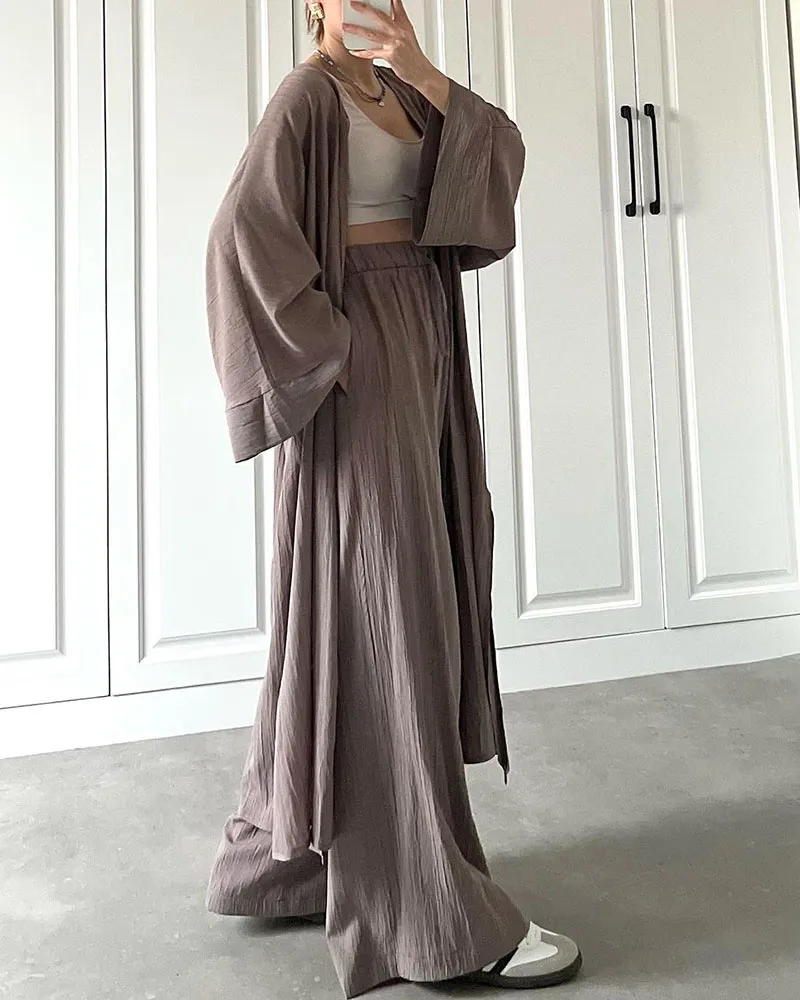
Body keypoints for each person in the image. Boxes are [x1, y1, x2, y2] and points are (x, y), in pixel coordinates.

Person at [203, 0, 582, 995]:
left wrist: (420, 68)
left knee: (377, 590)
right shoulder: (307, 97)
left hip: (424, 334)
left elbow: (495, 153)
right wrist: (337, 346)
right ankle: (424, 906)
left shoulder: (399, 91)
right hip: (365, 356)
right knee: (385, 601)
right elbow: (240, 236)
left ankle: (284, 856)